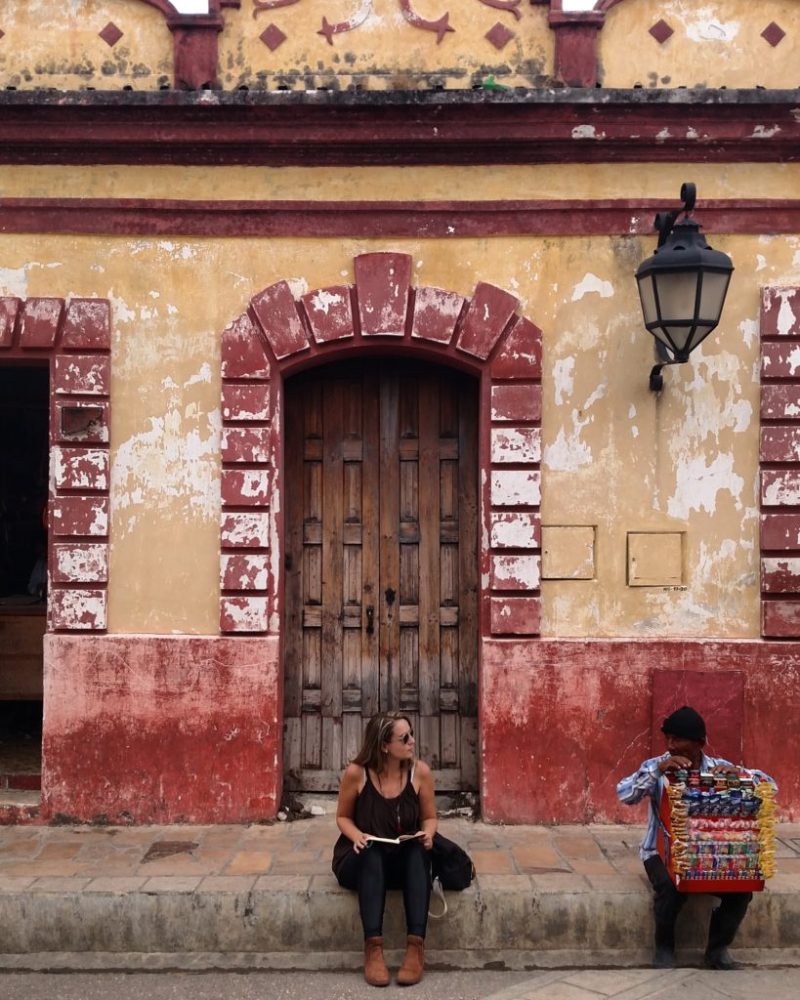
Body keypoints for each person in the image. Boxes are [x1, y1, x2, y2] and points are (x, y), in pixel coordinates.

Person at [617, 705, 776, 970]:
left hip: (706, 855)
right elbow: (624, 794)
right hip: (659, 853)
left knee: (742, 891)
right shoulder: (657, 766)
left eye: (678, 739)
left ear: (700, 743)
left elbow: (770, 785)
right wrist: (658, 769)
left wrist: (743, 775)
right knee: (671, 886)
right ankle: (665, 950)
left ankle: (717, 951)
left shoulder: (719, 768)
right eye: (668, 738)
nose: (671, 745)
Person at [332, 711, 437, 987]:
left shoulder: (420, 773)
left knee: (417, 853)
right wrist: (356, 836)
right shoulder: (357, 774)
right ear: (384, 746)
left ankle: (415, 948)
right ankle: (373, 949)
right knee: (371, 852)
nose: (412, 741)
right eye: (404, 737)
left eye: (411, 733)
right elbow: (342, 817)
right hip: (362, 859)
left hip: (400, 858)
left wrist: (428, 834)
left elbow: (430, 817)